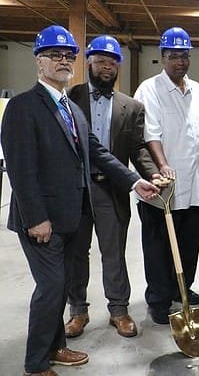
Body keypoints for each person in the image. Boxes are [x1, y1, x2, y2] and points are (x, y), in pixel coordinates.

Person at [1, 25, 157, 376]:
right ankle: (36, 363)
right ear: (39, 61)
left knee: (59, 285)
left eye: (67, 55)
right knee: (51, 287)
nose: (62, 60)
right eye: (54, 55)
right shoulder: (24, 106)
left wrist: (135, 182)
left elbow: (97, 152)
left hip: (69, 213)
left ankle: (56, 346)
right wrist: (36, 218)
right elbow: (21, 168)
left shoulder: (70, 107)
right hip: (42, 219)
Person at [64, 35, 159, 339]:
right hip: (76, 190)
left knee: (114, 252)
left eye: (112, 62)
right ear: (89, 62)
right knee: (76, 252)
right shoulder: (69, 98)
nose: (106, 67)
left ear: (119, 66)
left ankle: (119, 310)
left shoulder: (131, 107)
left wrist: (152, 174)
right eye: (100, 61)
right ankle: (77, 311)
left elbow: (138, 148)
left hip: (112, 189)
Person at [133, 27, 199, 325]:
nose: (180, 62)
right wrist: (162, 165)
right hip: (164, 187)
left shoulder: (198, 90)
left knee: (190, 243)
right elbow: (150, 133)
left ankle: (183, 288)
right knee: (159, 246)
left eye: (184, 56)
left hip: (196, 184)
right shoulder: (149, 89)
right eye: (174, 56)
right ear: (163, 57)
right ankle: (159, 299)